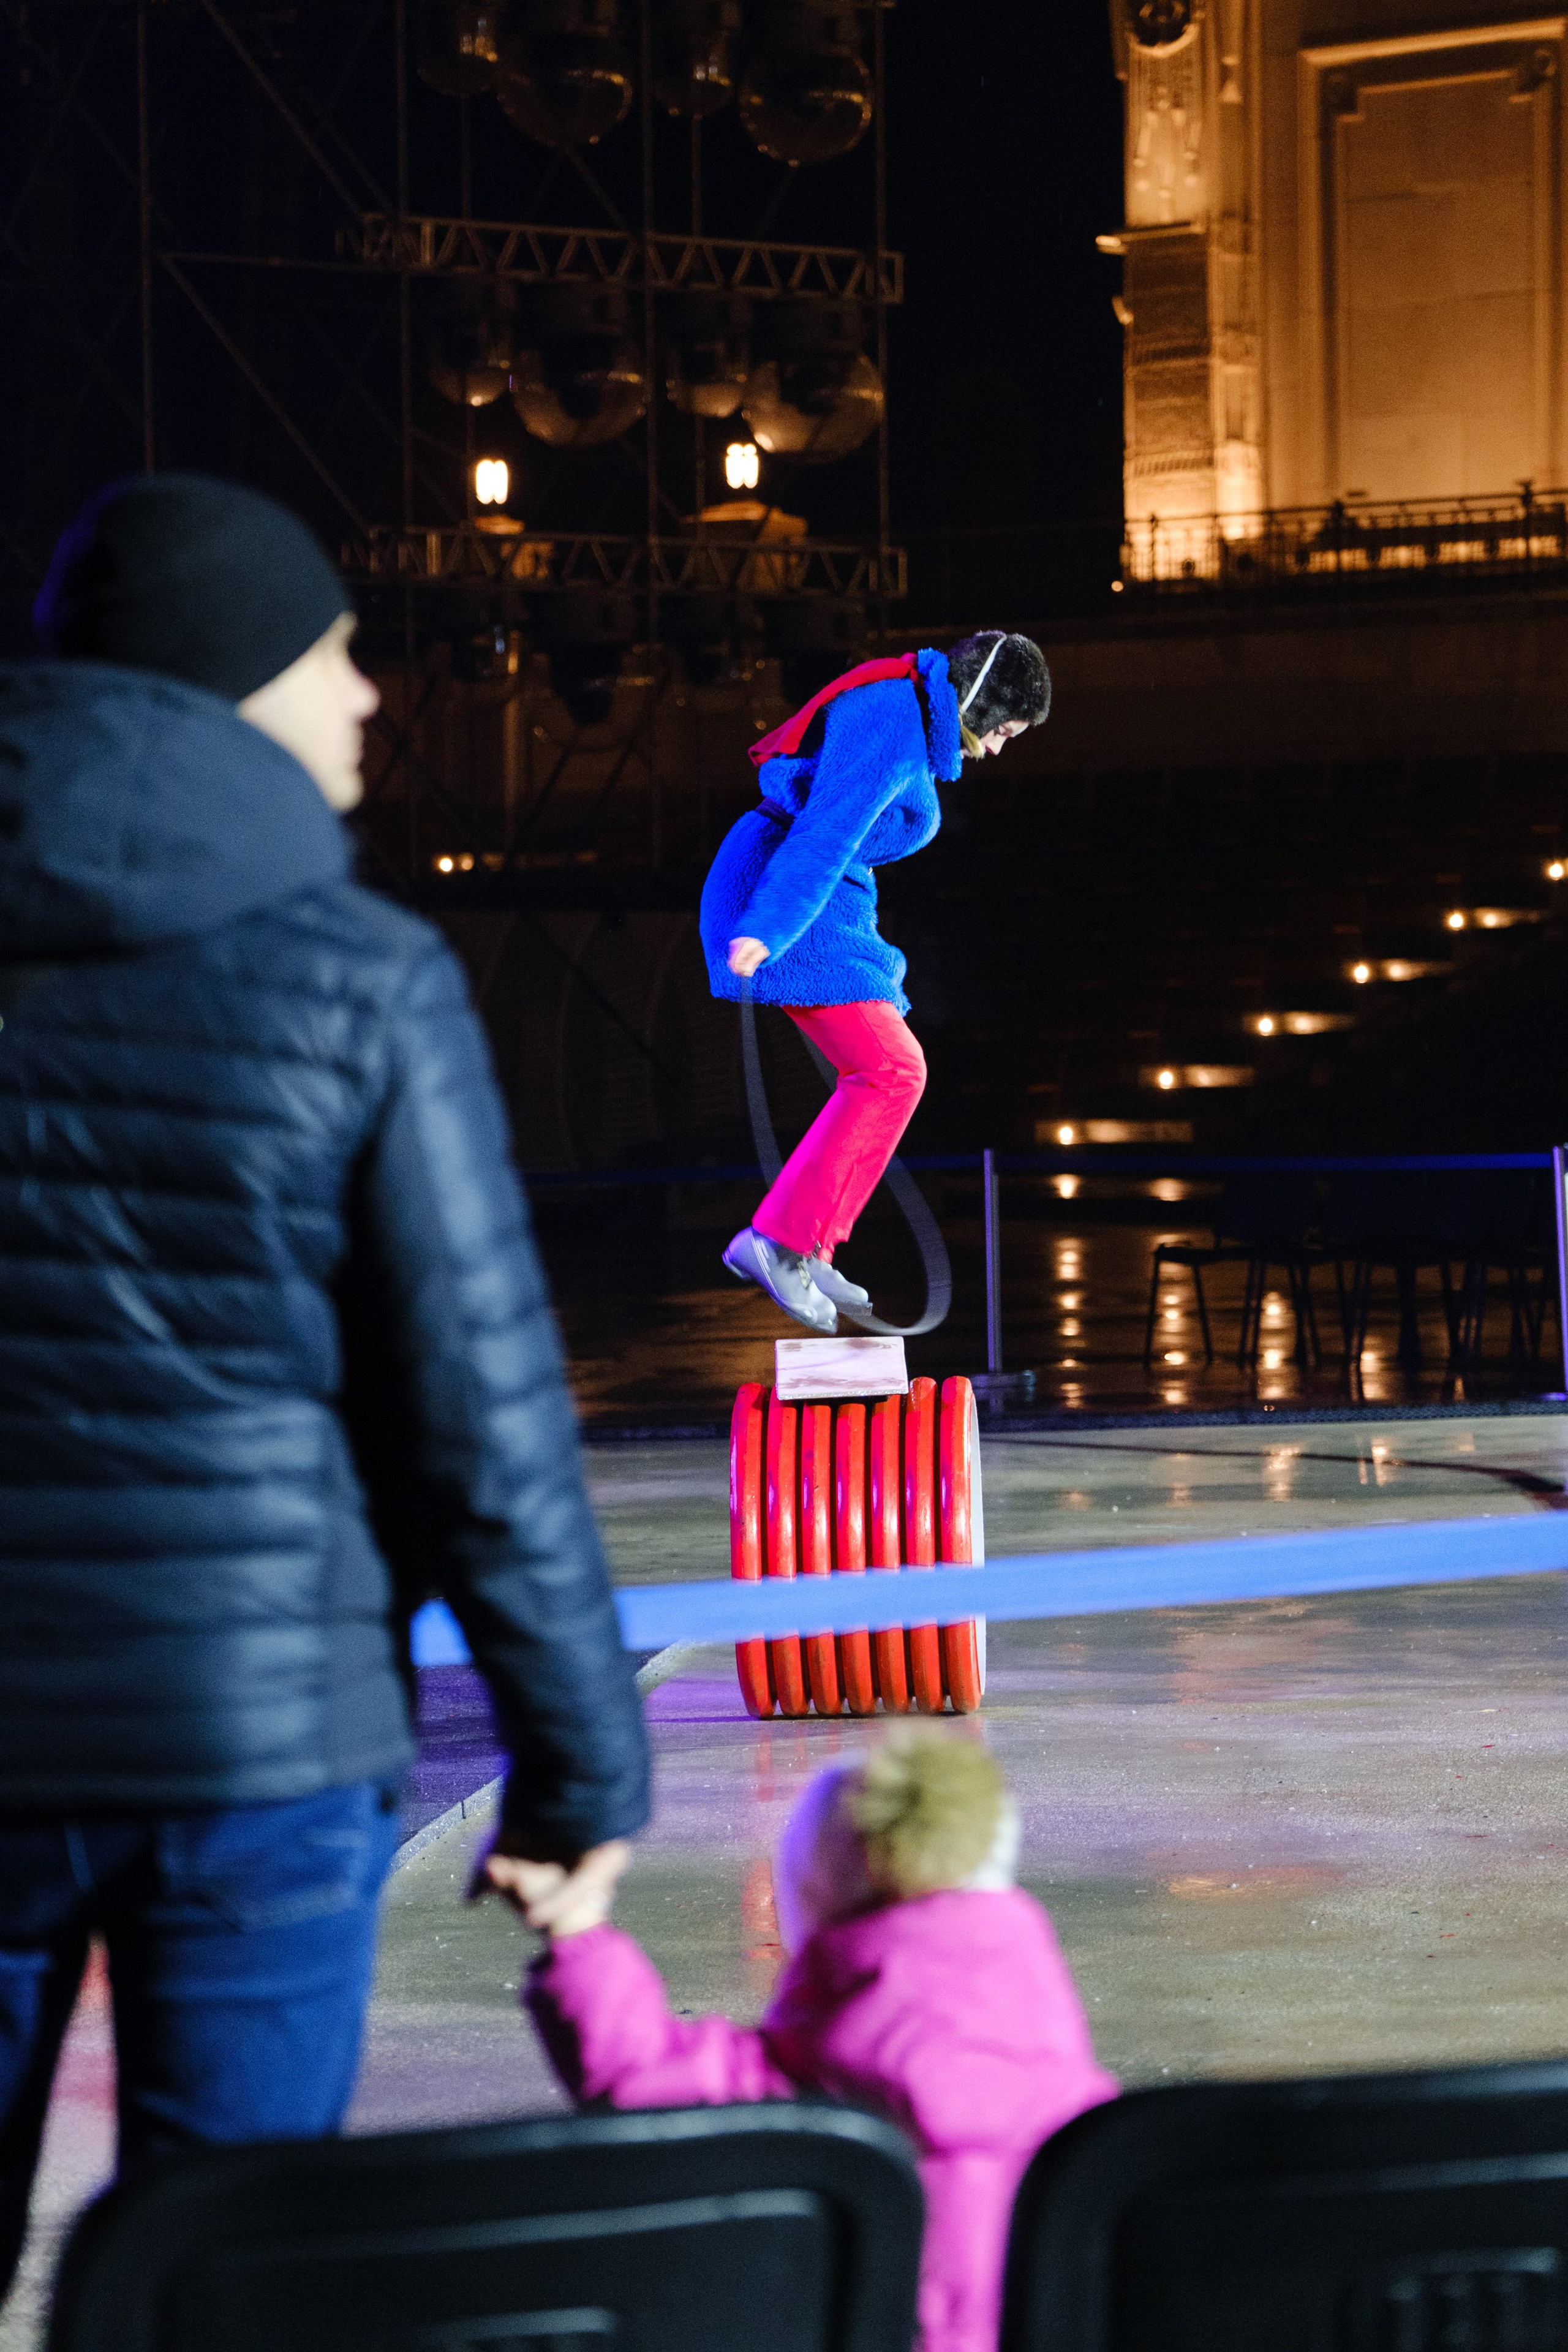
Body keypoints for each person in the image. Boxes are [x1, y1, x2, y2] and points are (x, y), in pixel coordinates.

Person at [0, 472, 649, 2296]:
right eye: (335, 650)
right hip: (261, 1744)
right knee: (230, 2279)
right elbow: (482, 1419)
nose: (368, 694)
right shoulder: (362, 977)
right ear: (234, 676)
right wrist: (576, 1771)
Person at [518, 1724, 1116, 2352]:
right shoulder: (1070, 2088)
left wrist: (574, 1925)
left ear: (813, 1902)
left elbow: (638, 2073)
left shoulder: (803, 2076)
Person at [698, 633, 1052, 1333]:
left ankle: (809, 1240)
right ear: (980, 702)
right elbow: (824, 834)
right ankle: (778, 1242)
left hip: (820, 903)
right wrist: (770, 926)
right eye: (1006, 730)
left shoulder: (906, 712)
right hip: (784, 897)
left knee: (885, 1069)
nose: (1002, 747)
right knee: (894, 1068)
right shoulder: (893, 725)